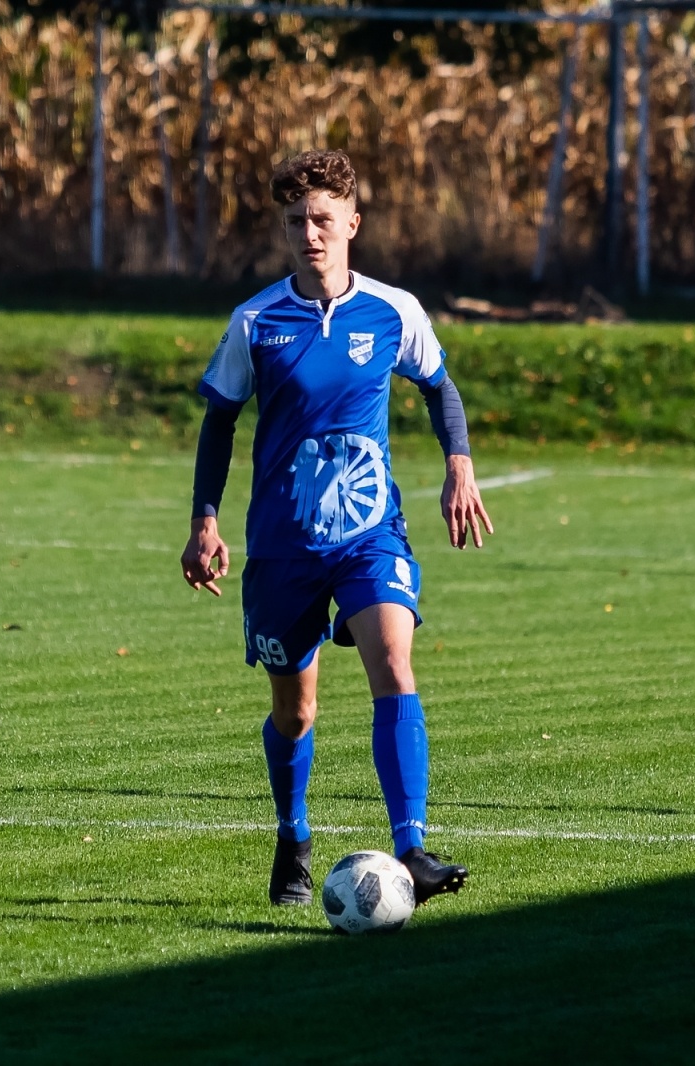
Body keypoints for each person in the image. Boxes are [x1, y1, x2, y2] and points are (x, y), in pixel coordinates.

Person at [180, 149, 494, 907]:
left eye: (323, 220)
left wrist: (460, 464)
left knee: (392, 660)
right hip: (284, 546)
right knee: (298, 711)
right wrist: (205, 522)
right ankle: (292, 833)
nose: (309, 235)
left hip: (369, 532)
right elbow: (219, 423)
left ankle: (412, 846)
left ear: (353, 222)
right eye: (296, 223)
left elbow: (439, 386)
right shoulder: (255, 321)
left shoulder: (392, 310)